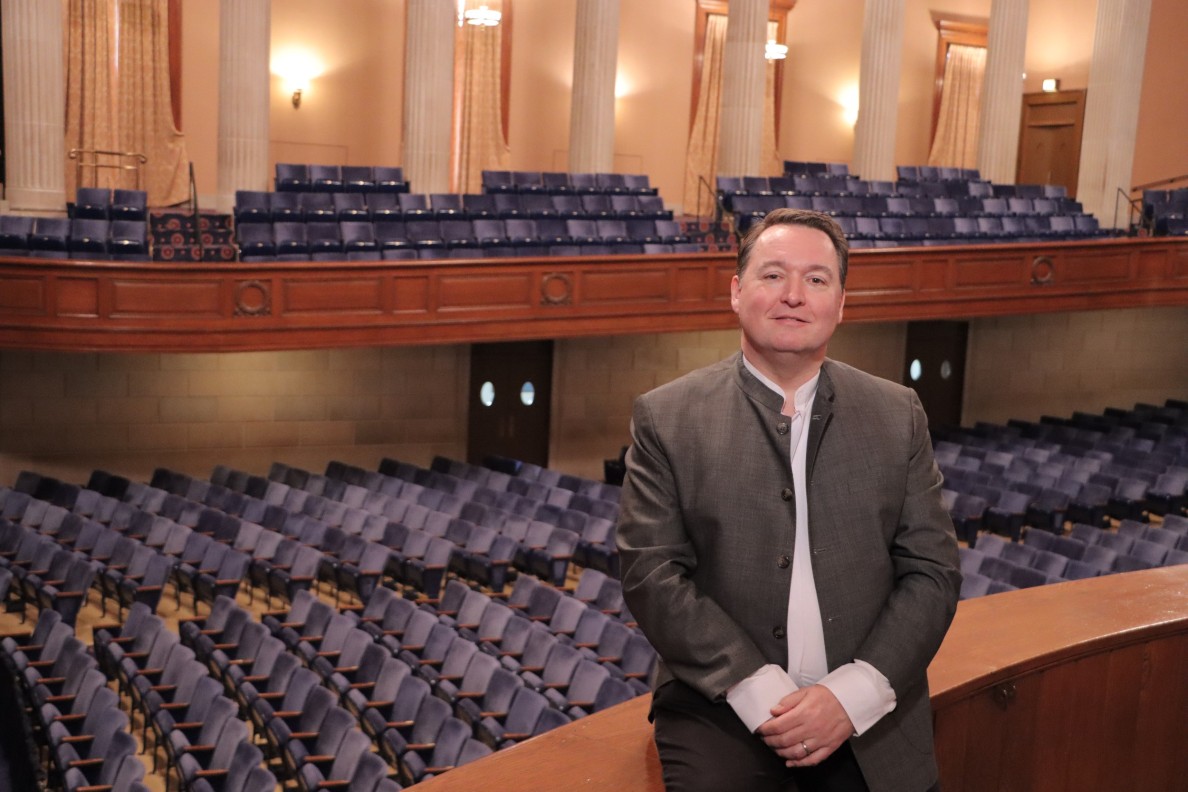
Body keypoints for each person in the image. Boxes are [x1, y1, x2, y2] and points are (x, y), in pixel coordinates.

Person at [616, 208, 961, 792]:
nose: (794, 296)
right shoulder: (667, 416)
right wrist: (761, 691)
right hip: (721, 704)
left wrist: (850, 695)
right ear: (736, 291)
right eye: (773, 275)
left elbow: (933, 572)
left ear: (842, 303)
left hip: (870, 706)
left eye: (817, 279)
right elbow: (652, 574)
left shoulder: (896, 412)